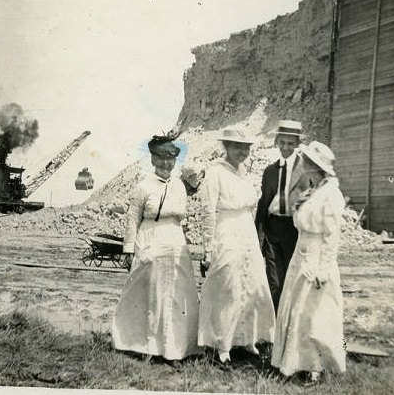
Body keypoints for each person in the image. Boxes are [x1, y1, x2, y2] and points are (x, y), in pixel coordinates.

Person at [111, 133, 200, 361]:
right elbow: (132, 219)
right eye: (160, 158)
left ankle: (176, 349)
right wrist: (129, 249)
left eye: (170, 158)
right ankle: (147, 347)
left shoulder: (180, 186)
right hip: (150, 237)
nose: (165, 163)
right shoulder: (143, 187)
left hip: (175, 240)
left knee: (177, 294)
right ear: (152, 159)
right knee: (151, 294)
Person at [198, 127, 275, 363]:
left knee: (251, 285)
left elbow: (252, 207)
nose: (243, 151)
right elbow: (208, 211)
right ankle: (222, 346)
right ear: (226, 148)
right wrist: (208, 247)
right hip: (226, 230)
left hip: (246, 232)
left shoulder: (246, 173)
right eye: (237, 146)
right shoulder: (214, 173)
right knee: (228, 287)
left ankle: (246, 339)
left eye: (246, 147)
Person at [271, 140, 347, 380]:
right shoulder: (312, 190)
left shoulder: (331, 194)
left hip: (315, 257)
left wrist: (323, 269)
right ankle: (294, 362)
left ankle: (315, 367)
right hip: (300, 254)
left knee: (314, 312)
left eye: (305, 161)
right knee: (297, 310)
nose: (301, 164)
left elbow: (331, 235)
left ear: (315, 166)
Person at [255, 119, 304, 312]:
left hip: (295, 230)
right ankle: (273, 330)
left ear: (298, 144)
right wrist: (258, 233)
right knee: (274, 280)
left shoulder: (305, 169)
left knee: (291, 281)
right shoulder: (269, 171)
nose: (286, 147)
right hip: (273, 229)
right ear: (277, 142)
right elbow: (263, 204)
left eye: (290, 144)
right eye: (282, 143)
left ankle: (289, 325)